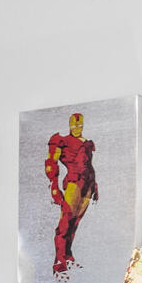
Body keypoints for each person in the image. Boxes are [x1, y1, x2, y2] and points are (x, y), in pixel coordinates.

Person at [44, 112, 98, 274]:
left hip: (87, 184)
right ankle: (58, 261)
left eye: (80, 125)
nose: (77, 128)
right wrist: (54, 187)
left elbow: (90, 165)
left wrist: (95, 185)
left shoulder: (87, 143)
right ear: (69, 125)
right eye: (74, 125)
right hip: (73, 183)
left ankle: (68, 255)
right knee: (65, 222)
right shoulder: (62, 141)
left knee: (75, 223)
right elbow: (51, 163)